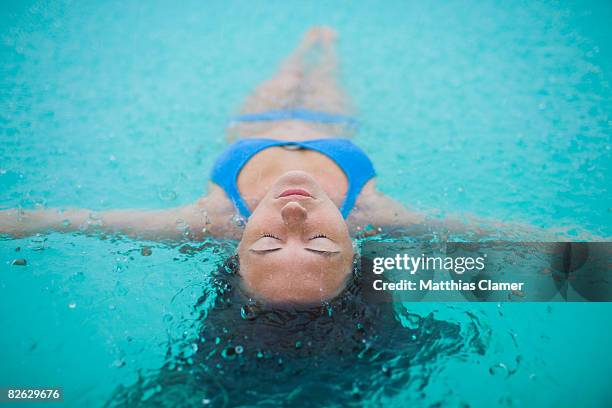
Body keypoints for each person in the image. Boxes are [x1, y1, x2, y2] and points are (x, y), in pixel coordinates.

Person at [0, 27, 571, 306]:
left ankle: (302, 47)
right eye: (321, 246)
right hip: (331, 129)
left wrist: (17, 219)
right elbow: (493, 234)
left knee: (285, 72)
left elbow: (80, 221)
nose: (294, 214)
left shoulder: (209, 221)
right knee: (328, 76)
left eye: (269, 245)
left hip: (257, 126)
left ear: (236, 248)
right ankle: (327, 45)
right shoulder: (373, 215)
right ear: (355, 248)